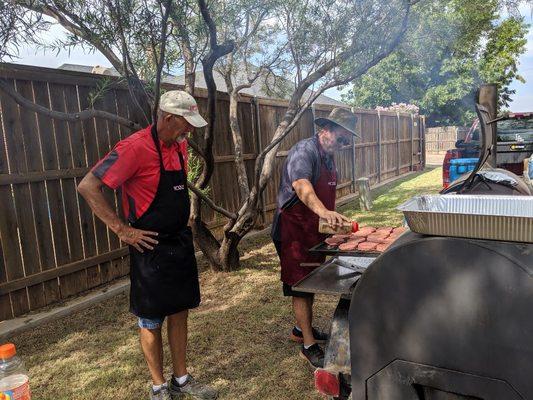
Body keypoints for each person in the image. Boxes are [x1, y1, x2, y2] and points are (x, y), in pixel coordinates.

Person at [78, 91, 217, 400]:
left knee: (180, 311)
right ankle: (158, 388)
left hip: (179, 243)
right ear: (167, 118)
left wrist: (185, 217)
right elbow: (88, 186)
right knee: (151, 318)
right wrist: (122, 229)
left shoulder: (178, 146)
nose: (189, 132)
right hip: (149, 248)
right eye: (185, 124)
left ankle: (181, 379)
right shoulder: (133, 148)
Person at [271, 107, 359, 368]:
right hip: (294, 232)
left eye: (347, 141)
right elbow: (302, 186)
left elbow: (325, 194)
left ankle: (300, 330)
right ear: (325, 130)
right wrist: (324, 212)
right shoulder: (304, 151)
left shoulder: (329, 156)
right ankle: (308, 346)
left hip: (314, 231)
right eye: (341, 139)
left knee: (310, 281)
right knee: (300, 284)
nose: (344, 145)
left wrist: (334, 218)